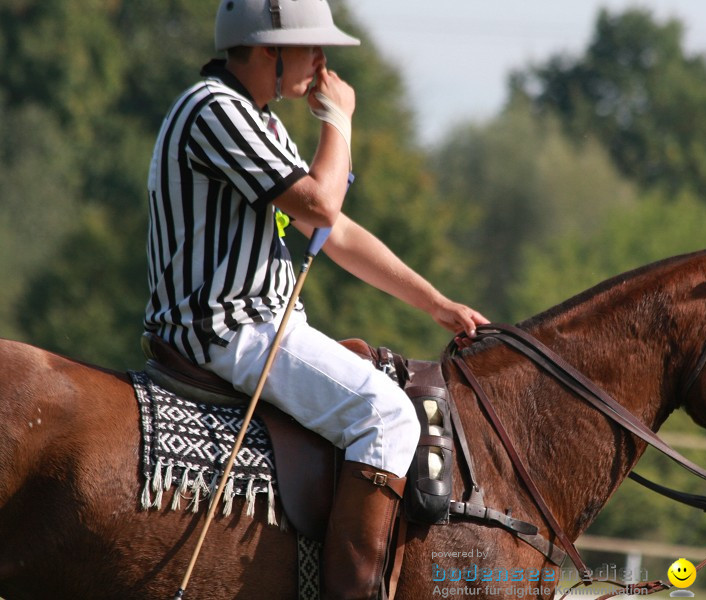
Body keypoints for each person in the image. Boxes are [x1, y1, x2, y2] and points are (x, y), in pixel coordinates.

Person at [142, 0, 488, 597]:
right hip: (229, 327)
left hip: (257, 324)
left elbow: (336, 234)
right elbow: (323, 207)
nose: (322, 62)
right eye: (310, 46)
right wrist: (339, 121)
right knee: (386, 414)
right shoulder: (215, 110)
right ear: (268, 51)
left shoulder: (260, 121)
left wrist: (434, 302)